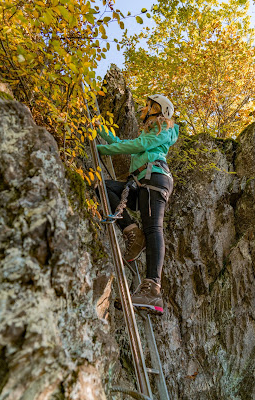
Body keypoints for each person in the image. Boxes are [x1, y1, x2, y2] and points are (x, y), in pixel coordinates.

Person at [96, 94, 179, 315]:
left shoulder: (164, 129)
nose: (145, 107)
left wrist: (101, 149)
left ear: (159, 110)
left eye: (150, 105)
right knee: (104, 189)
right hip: (142, 182)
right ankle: (133, 233)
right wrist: (101, 132)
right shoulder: (151, 130)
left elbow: (137, 145)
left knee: (154, 228)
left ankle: (152, 289)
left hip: (155, 179)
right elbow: (128, 144)